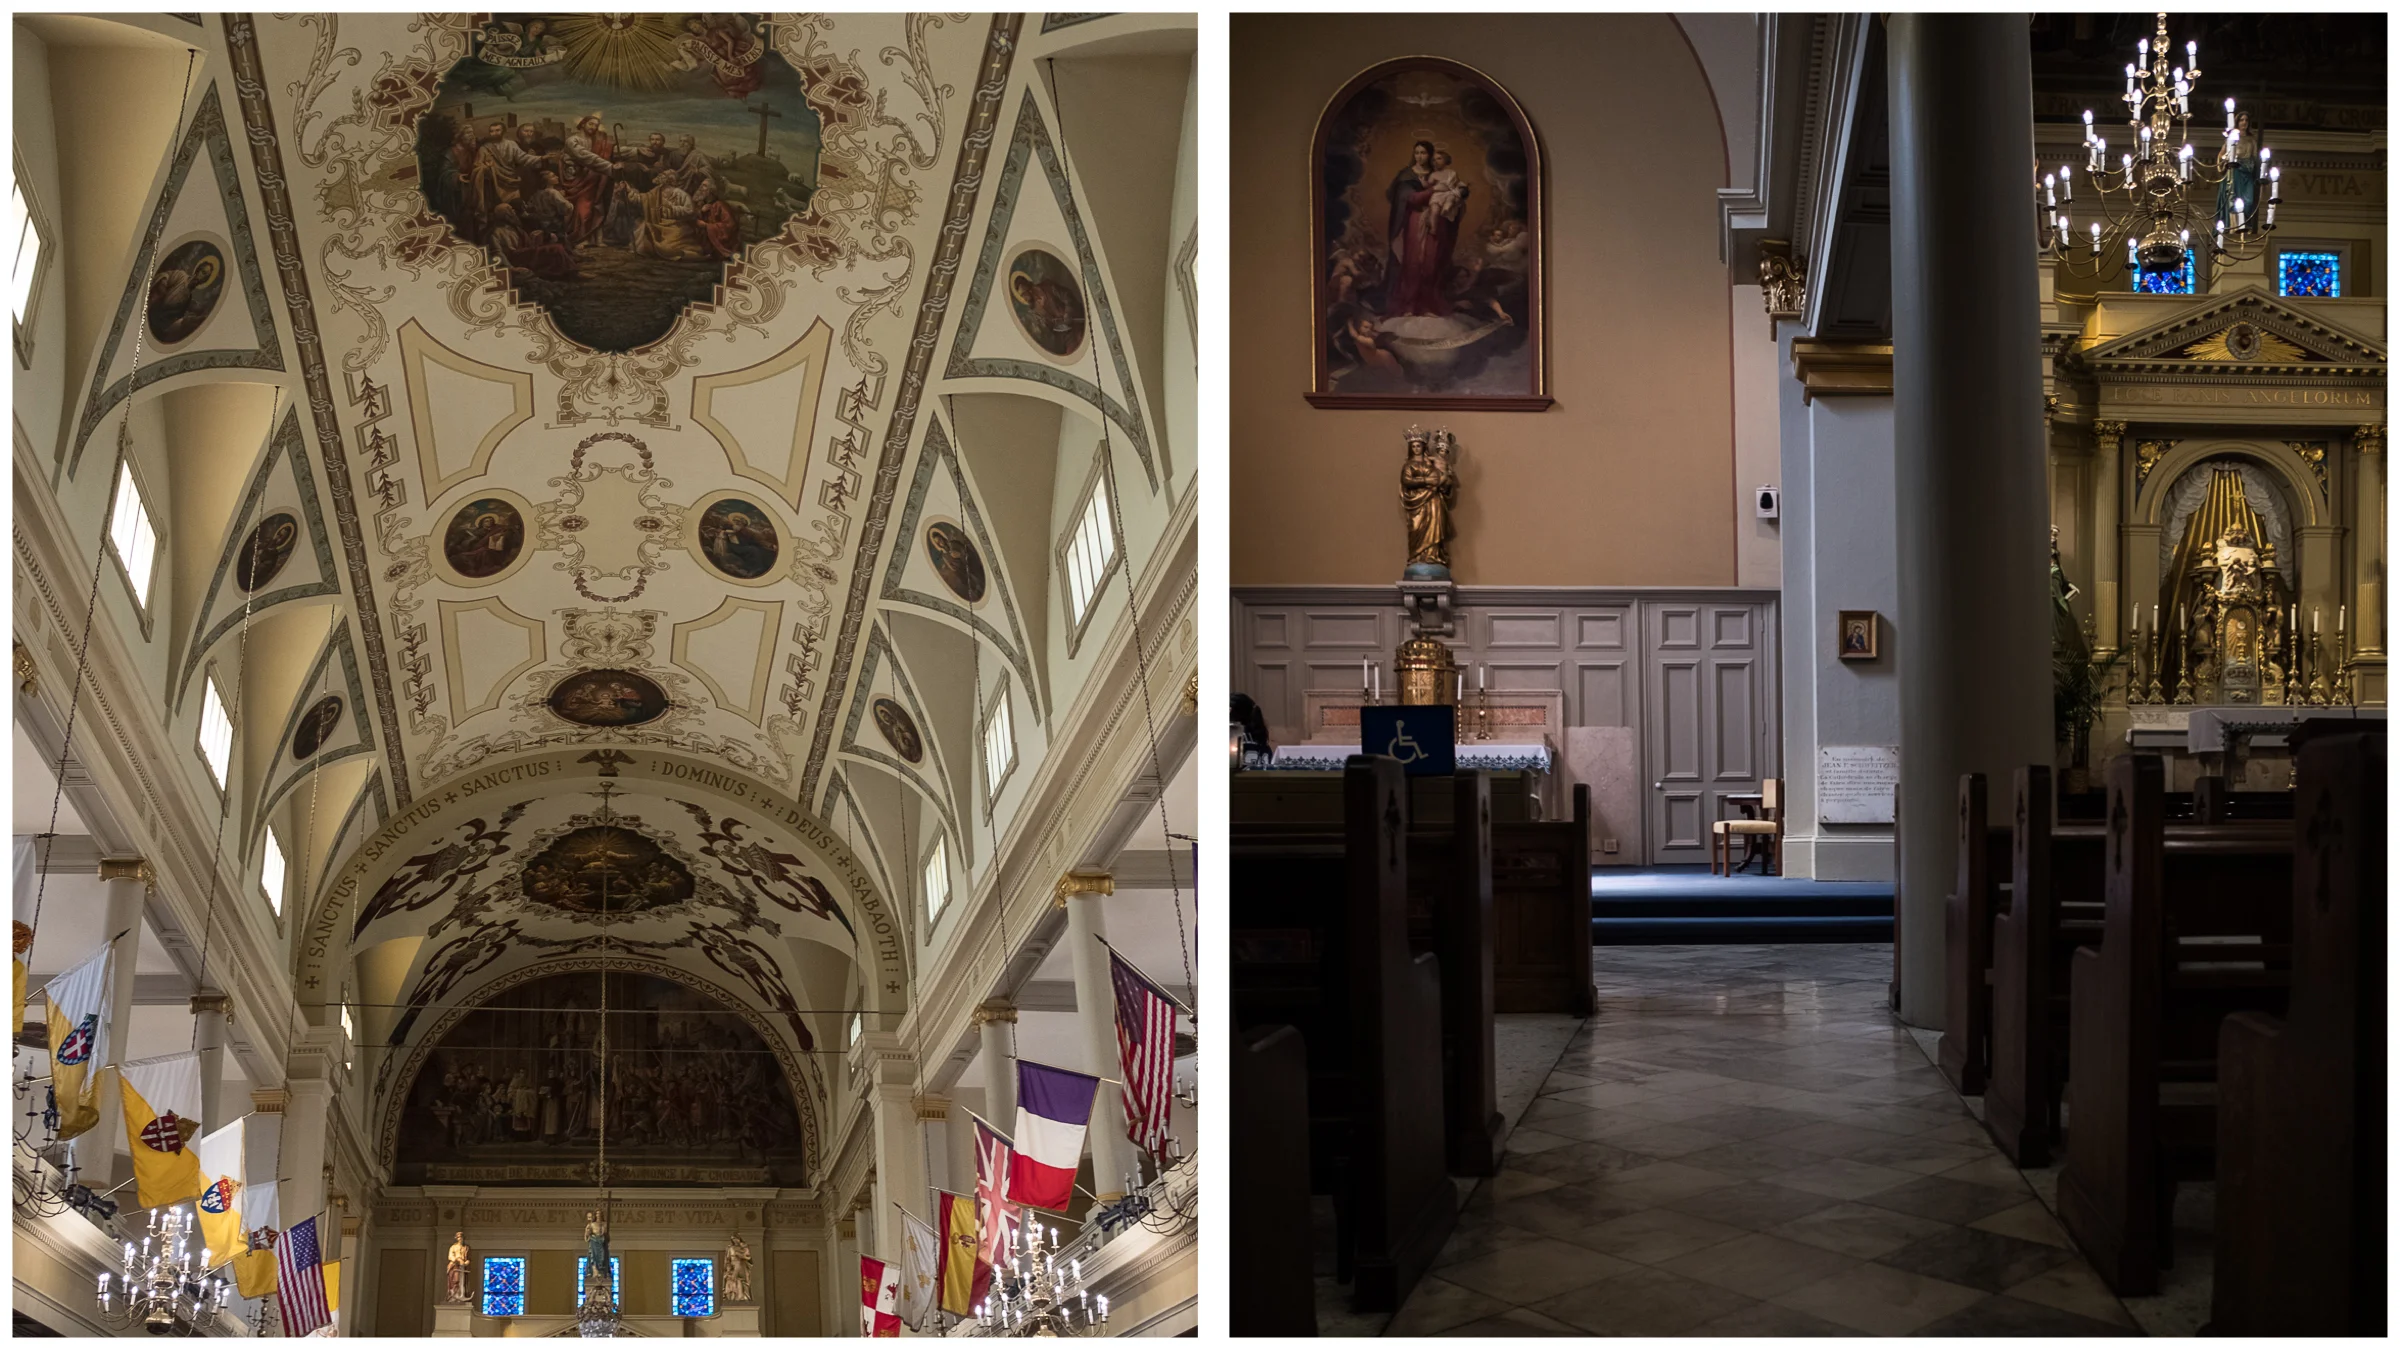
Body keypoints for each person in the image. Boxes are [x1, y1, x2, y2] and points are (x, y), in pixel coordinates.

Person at [446, 1232, 473, 1303]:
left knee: (463, 1282)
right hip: (455, 1266)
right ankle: (454, 1296)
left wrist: (466, 1262)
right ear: (456, 1238)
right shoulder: (453, 1247)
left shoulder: (466, 1248)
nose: (460, 1239)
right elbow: (450, 1256)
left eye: (461, 1237)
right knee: (455, 1280)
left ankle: (462, 1295)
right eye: (458, 1237)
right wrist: (457, 1259)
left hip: (463, 1267)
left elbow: (468, 1258)